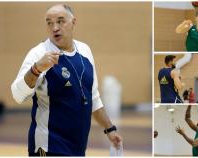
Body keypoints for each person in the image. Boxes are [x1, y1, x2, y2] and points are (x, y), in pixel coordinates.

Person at [11, 4, 122, 156]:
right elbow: (17, 95)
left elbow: (93, 98)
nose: (54, 27)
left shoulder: (85, 51)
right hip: (48, 146)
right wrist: (36, 69)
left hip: (77, 147)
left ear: (73, 22)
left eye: (60, 21)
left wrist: (110, 129)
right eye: (49, 23)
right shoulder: (38, 53)